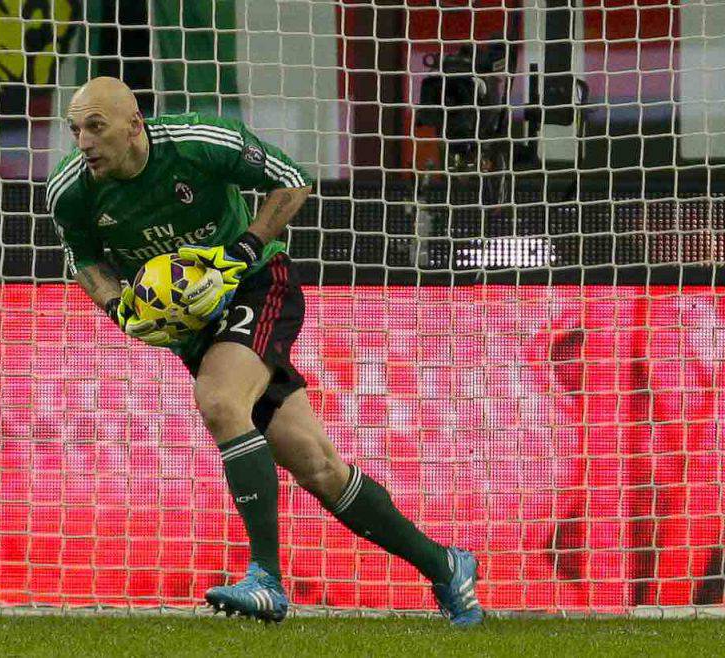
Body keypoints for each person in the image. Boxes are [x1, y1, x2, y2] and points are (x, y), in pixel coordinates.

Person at [46, 76, 484, 627]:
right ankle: (446, 565)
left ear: (135, 125)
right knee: (316, 464)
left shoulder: (200, 142)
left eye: (95, 126)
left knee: (221, 399)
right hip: (196, 326)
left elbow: (291, 180)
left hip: (257, 283)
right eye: (74, 129)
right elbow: (84, 260)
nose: (82, 141)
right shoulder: (71, 189)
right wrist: (119, 310)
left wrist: (243, 247)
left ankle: (266, 579)